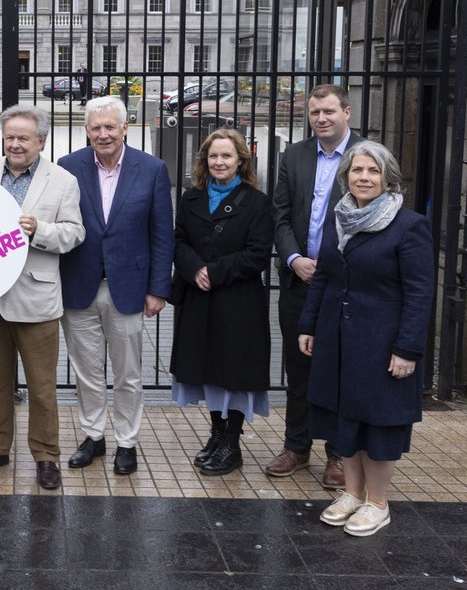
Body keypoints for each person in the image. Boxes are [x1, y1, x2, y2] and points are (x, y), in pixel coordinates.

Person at [299, 140, 434, 536]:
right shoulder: (338, 219)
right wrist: (309, 325)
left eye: (373, 171)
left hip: (381, 345)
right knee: (347, 422)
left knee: (378, 425)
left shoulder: (409, 226)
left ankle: (378, 502)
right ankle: (353, 495)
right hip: (338, 341)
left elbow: (420, 292)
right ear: (347, 177)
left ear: (388, 178)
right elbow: (323, 276)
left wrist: (408, 349)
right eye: (357, 170)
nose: (364, 177)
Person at [0, 105, 85, 490]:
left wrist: (39, 230)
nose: (15, 144)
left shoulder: (63, 181)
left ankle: (46, 456)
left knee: (41, 386)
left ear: (41, 141)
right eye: (10, 137)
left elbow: (74, 233)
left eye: (23, 138)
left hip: (37, 298)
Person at [58, 96, 173, 474]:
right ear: (86, 130)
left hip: (129, 288)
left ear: (126, 128)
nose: (103, 134)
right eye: (96, 127)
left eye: (110, 127)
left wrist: (158, 288)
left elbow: (161, 233)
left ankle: (127, 441)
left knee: (128, 374)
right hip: (79, 284)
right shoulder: (68, 167)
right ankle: (94, 436)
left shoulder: (152, 169)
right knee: (86, 372)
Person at [267, 83, 363, 488]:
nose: (321, 119)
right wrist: (293, 258)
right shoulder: (294, 156)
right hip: (299, 279)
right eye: (314, 113)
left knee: (340, 368)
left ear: (347, 112)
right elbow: (280, 214)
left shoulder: (367, 157)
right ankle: (296, 446)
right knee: (299, 366)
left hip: (345, 285)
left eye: (329, 111)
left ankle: (339, 455)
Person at [170, 128, 274, 475]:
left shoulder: (257, 202)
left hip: (238, 301)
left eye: (226, 156)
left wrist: (212, 271)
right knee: (208, 370)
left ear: (241, 160)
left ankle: (233, 441)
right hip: (200, 299)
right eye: (213, 156)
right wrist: (193, 268)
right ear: (204, 160)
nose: (219, 162)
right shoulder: (191, 198)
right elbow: (179, 240)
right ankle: (216, 434)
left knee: (235, 372)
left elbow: (257, 255)